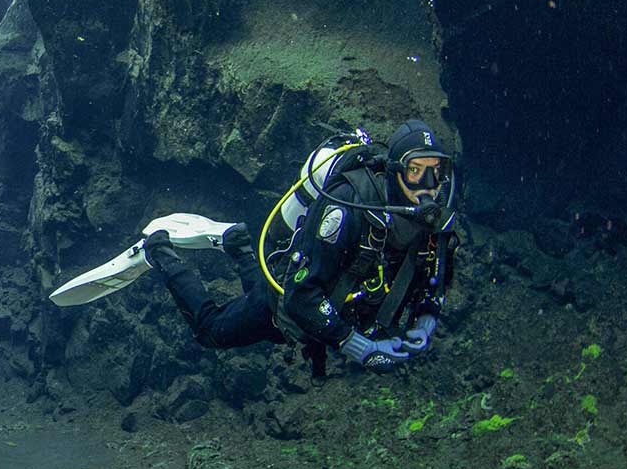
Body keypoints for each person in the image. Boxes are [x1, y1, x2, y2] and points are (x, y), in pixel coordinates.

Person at [140, 120, 460, 376]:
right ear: (393, 171)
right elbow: (300, 296)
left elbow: (433, 283)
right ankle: (161, 252)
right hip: (286, 305)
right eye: (416, 171)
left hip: (322, 319)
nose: (428, 186)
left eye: (437, 172)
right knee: (211, 330)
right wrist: (360, 347)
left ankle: (238, 245)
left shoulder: (435, 226)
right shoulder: (347, 210)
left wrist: (425, 323)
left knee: (261, 296)